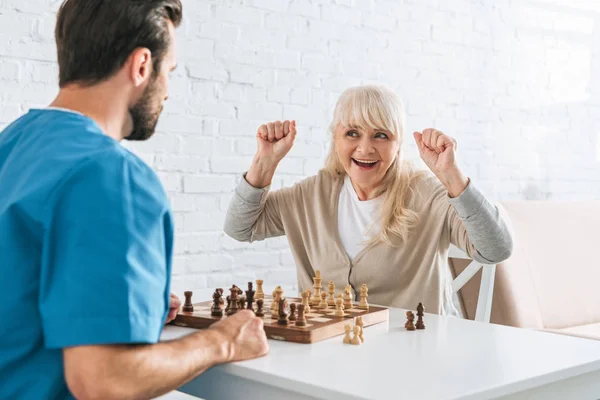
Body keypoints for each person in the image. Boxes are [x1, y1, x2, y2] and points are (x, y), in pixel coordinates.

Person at [0, 1, 268, 399]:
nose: (167, 92)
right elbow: (104, 380)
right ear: (142, 65)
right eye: (169, 72)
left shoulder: (12, 143)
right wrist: (222, 341)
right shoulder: (110, 175)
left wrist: (118, 310)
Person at [224, 85, 513, 316]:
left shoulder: (428, 195)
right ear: (335, 138)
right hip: (331, 357)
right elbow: (241, 228)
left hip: (414, 358)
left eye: (381, 135)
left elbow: (496, 249)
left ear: (399, 144)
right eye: (352, 133)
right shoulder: (312, 195)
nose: (365, 148)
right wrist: (264, 163)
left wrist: (451, 176)